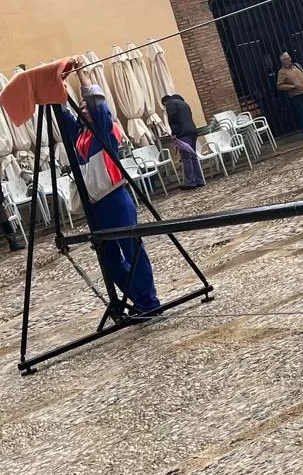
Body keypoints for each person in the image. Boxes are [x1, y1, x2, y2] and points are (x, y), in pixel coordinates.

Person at [59, 81, 162, 316]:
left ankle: (149, 301)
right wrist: (59, 96)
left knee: (132, 249)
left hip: (114, 198)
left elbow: (99, 106)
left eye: (87, 107)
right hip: (95, 205)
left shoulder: (104, 130)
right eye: (82, 107)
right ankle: (136, 298)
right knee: (108, 257)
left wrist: (83, 79)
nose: (85, 110)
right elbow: (64, 119)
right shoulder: (81, 137)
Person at [162, 93, 204, 190]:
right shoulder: (183, 103)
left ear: (165, 102)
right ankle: (199, 180)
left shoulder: (170, 104)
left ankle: (190, 182)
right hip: (192, 131)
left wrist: (174, 133)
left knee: (186, 158)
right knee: (193, 157)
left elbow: (172, 119)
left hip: (183, 134)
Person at [276, 51, 303, 141]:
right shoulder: (282, 72)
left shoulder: (297, 66)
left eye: (289, 58)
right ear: (282, 61)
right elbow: (280, 85)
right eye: (286, 59)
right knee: (301, 114)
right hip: (295, 95)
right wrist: (292, 86)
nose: (288, 60)